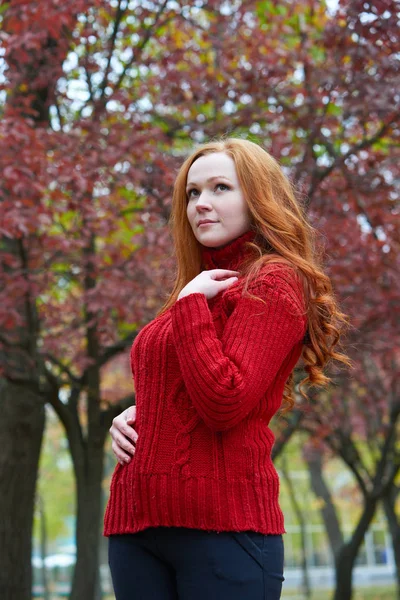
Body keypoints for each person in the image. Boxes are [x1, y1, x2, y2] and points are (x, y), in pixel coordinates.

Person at [104, 137, 349, 600]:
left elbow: (225, 399)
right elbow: (182, 382)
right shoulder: (199, 285)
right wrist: (138, 414)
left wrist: (191, 304)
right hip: (137, 523)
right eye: (192, 193)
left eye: (220, 188)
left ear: (258, 197)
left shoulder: (274, 280)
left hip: (223, 526)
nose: (202, 204)